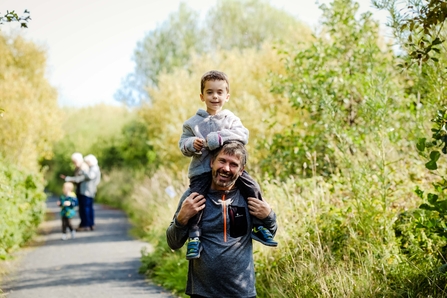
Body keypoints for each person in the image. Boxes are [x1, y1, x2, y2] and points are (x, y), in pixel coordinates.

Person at [179, 70, 277, 260]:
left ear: (227, 96)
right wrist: (192, 144)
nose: (215, 96)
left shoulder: (230, 119)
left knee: (252, 187)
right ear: (202, 96)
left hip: (230, 171)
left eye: (219, 92)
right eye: (209, 92)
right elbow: (183, 144)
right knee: (197, 201)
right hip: (202, 172)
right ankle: (194, 237)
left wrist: (218, 138)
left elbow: (243, 135)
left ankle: (258, 225)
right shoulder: (192, 123)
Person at [167, 141, 278, 297]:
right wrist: (182, 218)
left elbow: (270, 233)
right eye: (222, 161)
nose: (226, 168)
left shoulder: (249, 197)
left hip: (243, 293)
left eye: (233, 164)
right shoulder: (193, 197)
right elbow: (173, 242)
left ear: (241, 170)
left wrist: (269, 216)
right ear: (212, 162)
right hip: (202, 293)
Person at [62, 153, 101, 231]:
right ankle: (89, 224)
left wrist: (68, 178)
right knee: (87, 208)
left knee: (85, 208)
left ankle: (86, 225)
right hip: (87, 191)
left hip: (86, 191)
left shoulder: (89, 168)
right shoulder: (91, 168)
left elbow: (85, 177)